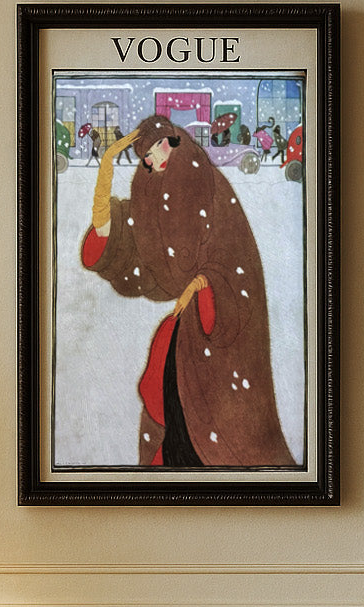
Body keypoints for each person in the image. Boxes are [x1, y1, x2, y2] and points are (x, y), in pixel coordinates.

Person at [80, 114, 297, 469]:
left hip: (220, 319)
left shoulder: (203, 180)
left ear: (169, 142)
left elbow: (232, 257)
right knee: (165, 376)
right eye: (145, 158)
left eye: (152, 152)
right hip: (190, 314)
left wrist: (205, 286)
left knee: (206, 403)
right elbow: (153, 258)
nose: (151, 162)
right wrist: (110, 231)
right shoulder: (152, 187)